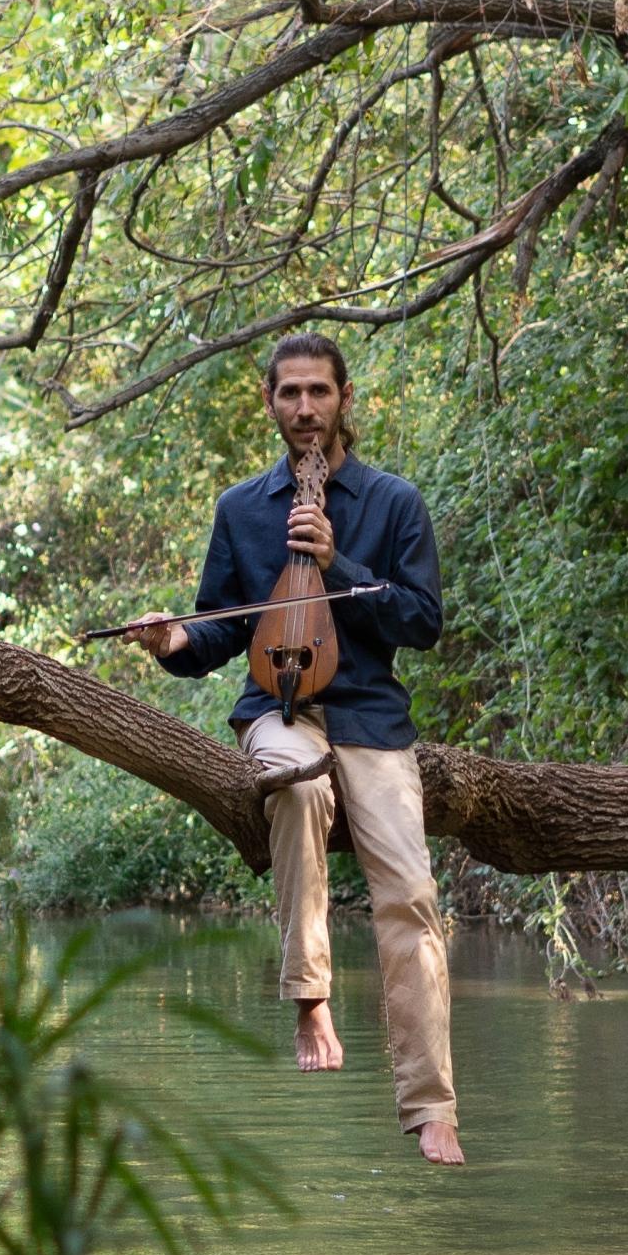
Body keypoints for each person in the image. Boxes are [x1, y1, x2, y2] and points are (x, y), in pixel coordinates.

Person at [124, 337, 462, 1165]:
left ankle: (431, 1105)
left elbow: (422, 621)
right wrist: (174, 641)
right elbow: (219, 628)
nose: (305, 408)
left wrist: (333, 557)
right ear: (270, 404)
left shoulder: (392, 502)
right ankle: (311, 996)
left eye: (319, 392)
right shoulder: (241, 509)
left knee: (412, 896)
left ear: (345, 398)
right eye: (290, 395)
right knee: (296, 786)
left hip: (372, 719)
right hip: (278, 707)